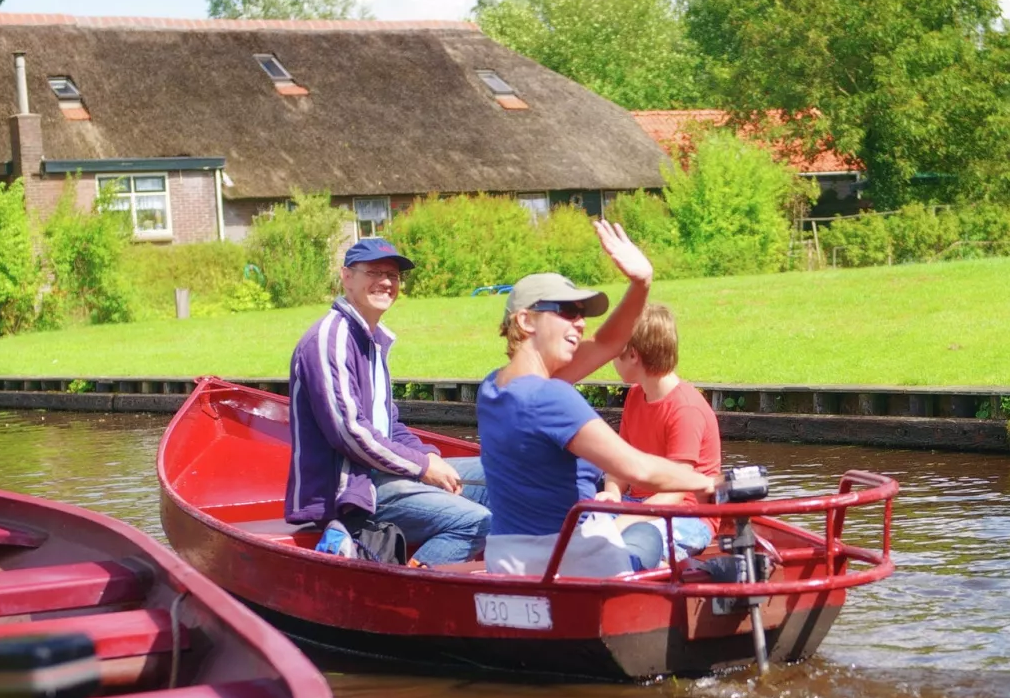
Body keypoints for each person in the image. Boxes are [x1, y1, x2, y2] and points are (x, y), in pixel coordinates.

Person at [477, 222, 714, 577]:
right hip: (576, 562)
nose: (581, 324)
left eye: (583, 316)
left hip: (509, 560)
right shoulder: (552, 396)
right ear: (526, 320)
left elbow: (608, 344)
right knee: (647, 533)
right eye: (568, 312)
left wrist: (641, 283)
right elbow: (639, 469)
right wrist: (715, 482)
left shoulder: (493, 387)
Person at [285, 237, 489, 565]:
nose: (385, 282)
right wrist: (423, 468)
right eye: (375, 272)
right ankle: (408, 592)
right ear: (347, 277)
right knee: (474, 522)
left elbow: (388, 423)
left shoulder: (371, 340)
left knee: (499, 473)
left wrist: (430, 458)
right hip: (350, 490)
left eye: (393, 276)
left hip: (380, 474)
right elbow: (351, 433)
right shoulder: (330, 339)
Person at [597, 303, 722, 561]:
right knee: (579, 522)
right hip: (640, 506)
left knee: (630, 545)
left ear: (633, 355)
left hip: (687, 517)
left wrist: (626, 520)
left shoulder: (685, 409)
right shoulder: (635, 395)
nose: (610, 360)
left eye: (614, 352)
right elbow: (620, 463)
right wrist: (612, 494)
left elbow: (676, 490)